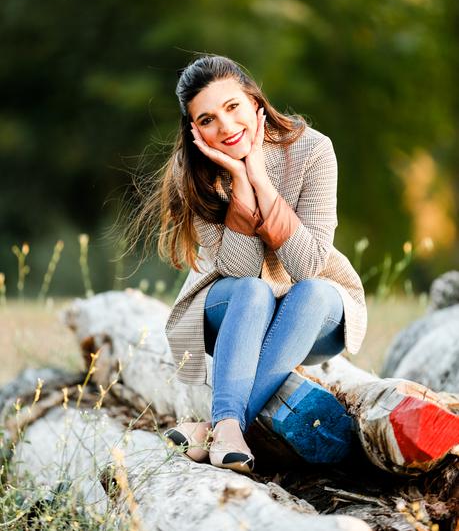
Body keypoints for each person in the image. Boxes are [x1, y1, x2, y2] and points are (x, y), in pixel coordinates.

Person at [128, 54, 367, 474]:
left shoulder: (314, 150)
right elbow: (240, 272)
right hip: (234, 308)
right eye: (207, 119)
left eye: (232, 107)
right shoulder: (195, 170)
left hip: (313, 313)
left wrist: (258, 176)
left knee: (311, 292)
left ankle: (220, 426)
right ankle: (230, 430)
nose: (224, 127)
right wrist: (239, 185)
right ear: (194, 129)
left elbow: (308, 264)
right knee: (253, 290)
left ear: (254, 101)